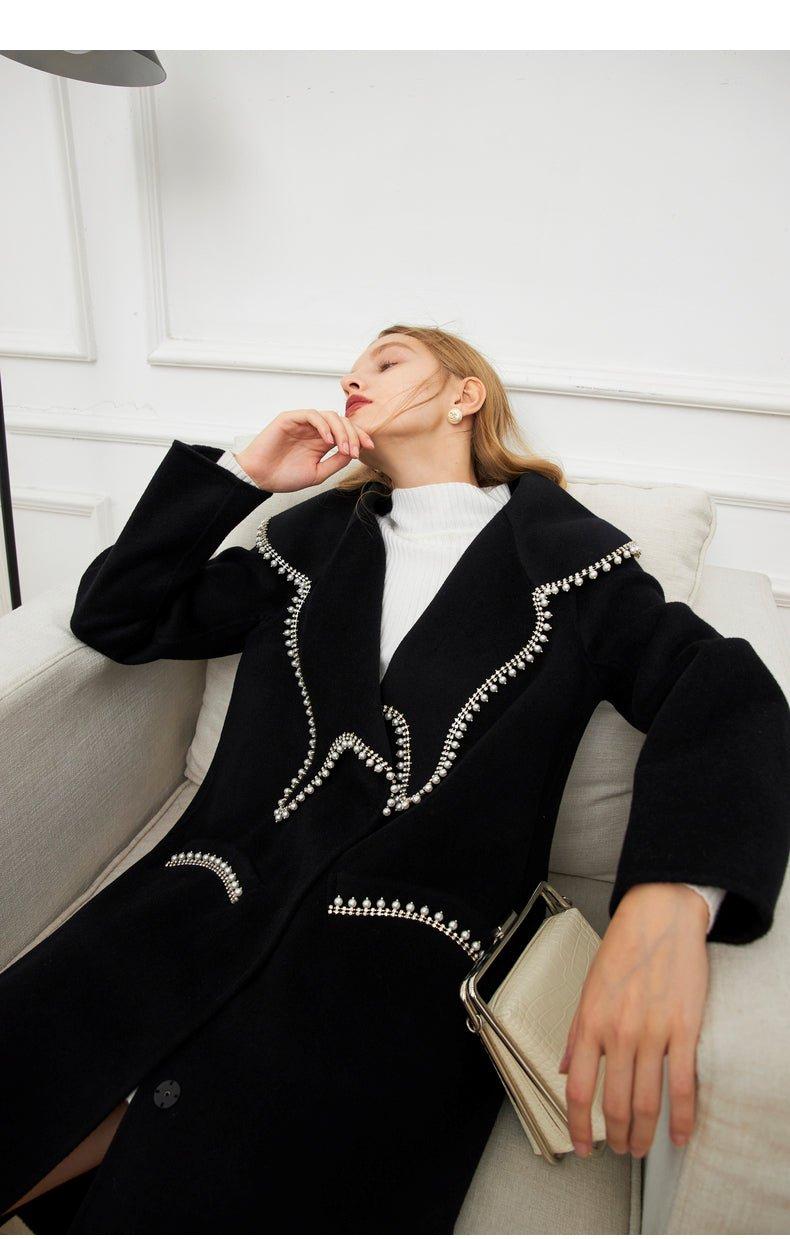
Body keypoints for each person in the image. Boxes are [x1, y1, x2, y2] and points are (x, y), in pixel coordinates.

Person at [2, 325, 788, 1234]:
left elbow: (721, 687)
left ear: (464, 395)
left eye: (387, 361)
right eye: (352, 368)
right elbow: (115, 617)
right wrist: (245, 476)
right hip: (208, 890)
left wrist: (670, 899)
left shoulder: (570, 561)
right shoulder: (309, 540)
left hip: (395, 953)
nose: (352, 377)